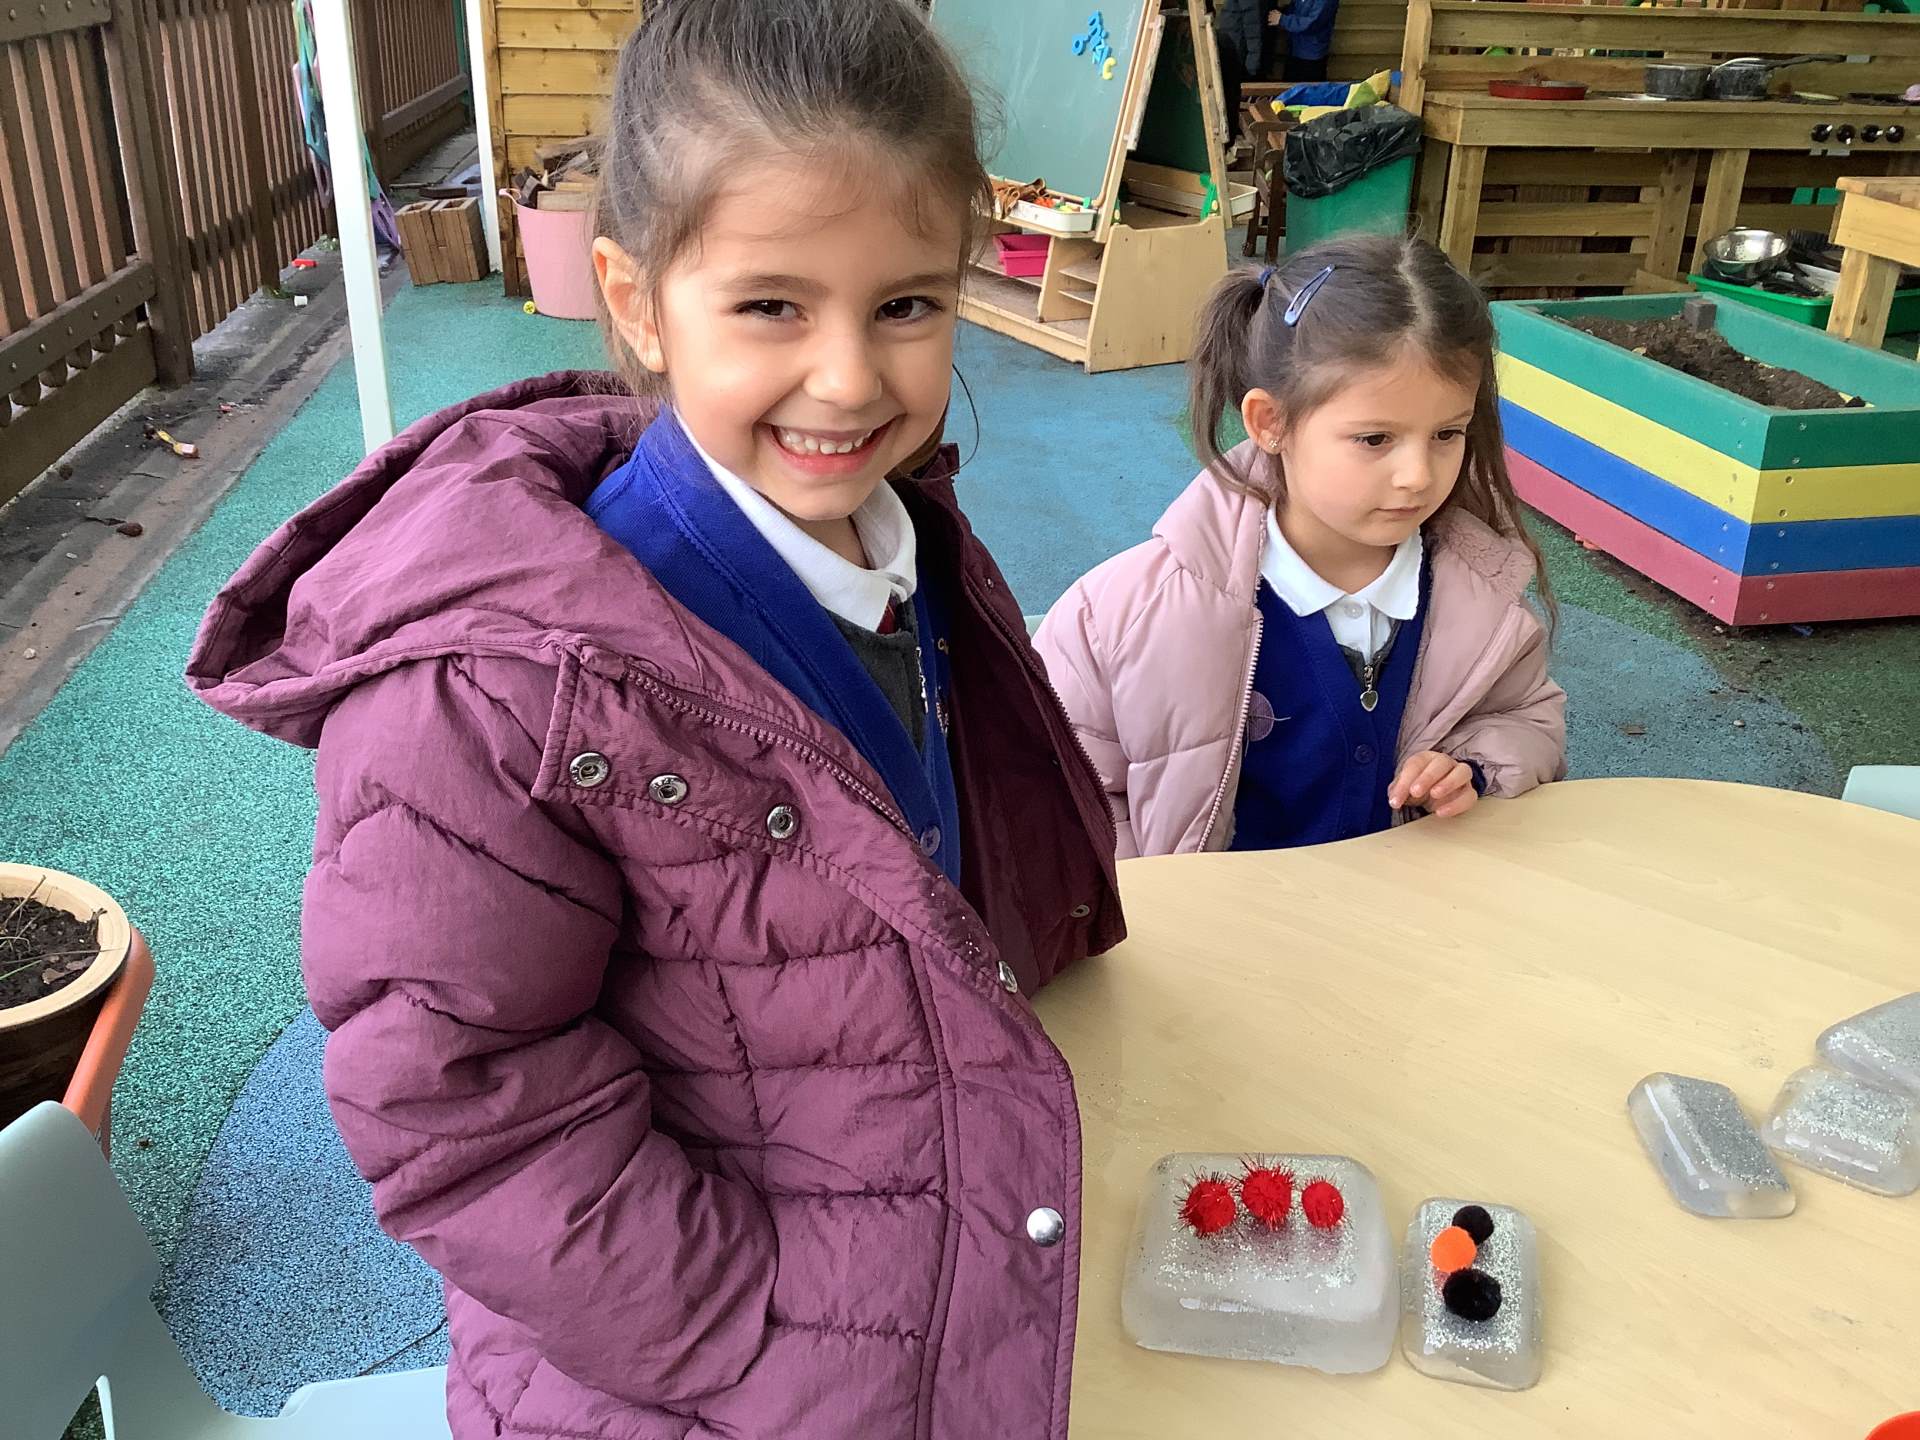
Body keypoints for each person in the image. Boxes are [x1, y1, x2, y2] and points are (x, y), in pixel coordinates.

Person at [186, 2, 1123, 1435]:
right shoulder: (493, 693)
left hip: (924, 1254)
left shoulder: (903, 540)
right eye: (772, 307)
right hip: (704, 1379)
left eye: (906, 306)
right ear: (634, 300)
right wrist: (756, 1338)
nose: (849, 378)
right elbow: (457, 1102)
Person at [1034, 234, 1565, 859]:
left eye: (1448, 433)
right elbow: (1056, 798)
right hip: (1202, 920)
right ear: (1271, 423)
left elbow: (1528, 720)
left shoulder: (1482, 599)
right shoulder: (1122, 615)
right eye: (1375, 439)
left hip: (1413, 911)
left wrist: (1470, 768)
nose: (1418, 475)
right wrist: (1160, 901)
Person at [1272, 0, 1338, 83]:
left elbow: (1313, 24)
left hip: (1311, 55)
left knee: (1309, 88)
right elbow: (1295, 9)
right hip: (1294, 50)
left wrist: (1283, 19)